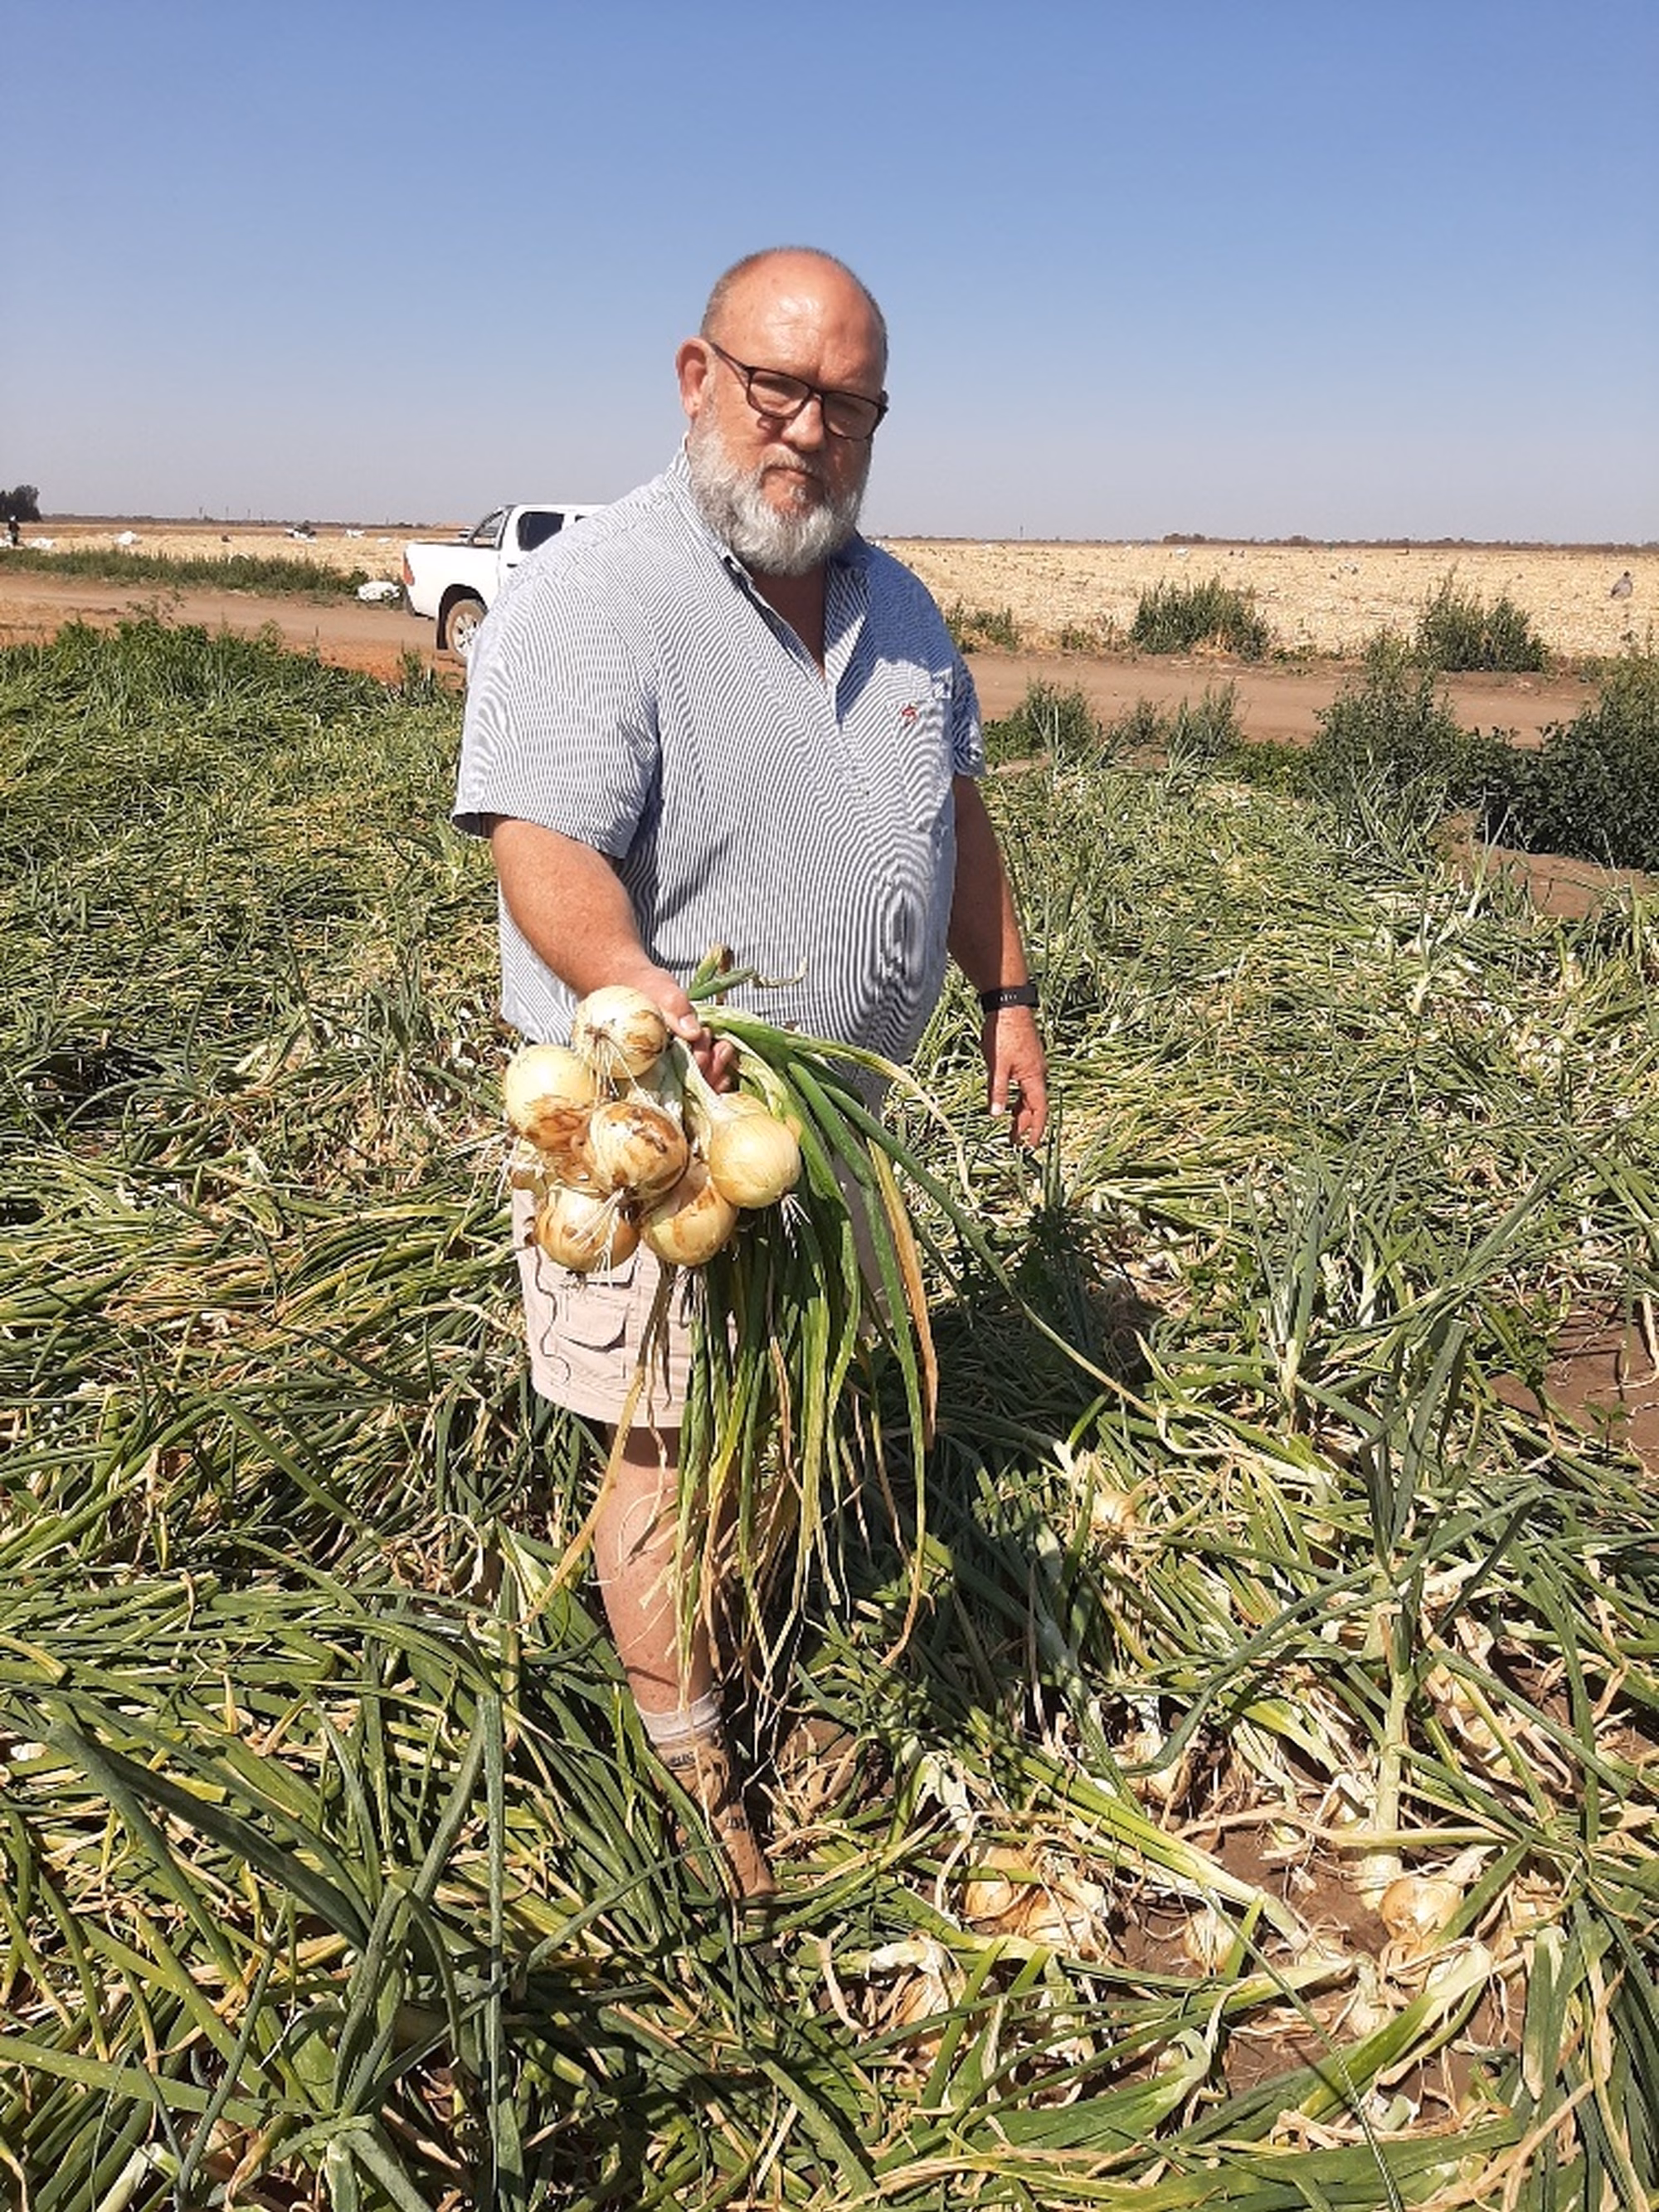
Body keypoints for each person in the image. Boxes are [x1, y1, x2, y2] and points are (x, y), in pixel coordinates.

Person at [454, 246, 1046, 1897]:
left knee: (771, 1404)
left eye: (845, 401)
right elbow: (543, 846)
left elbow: (959, 816)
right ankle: (688, 1756)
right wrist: (630, 977)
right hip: (659, 1144)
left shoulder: (905, 605)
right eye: (776, 386)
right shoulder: (599, 591)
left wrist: (1005, 988)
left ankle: (745, 1627)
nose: (808, 430)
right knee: (659, 1442)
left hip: (830, 1140)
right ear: (695, 376)